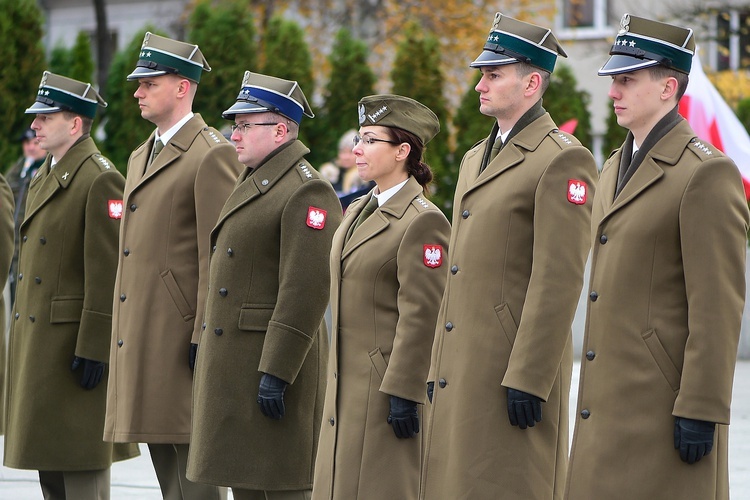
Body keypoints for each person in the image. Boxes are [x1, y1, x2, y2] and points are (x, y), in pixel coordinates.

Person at [565, 14, 749, 500]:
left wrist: (702, 407)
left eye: (627, 79)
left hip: (662, 403)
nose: (613, 92)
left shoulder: (705, 175)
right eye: (613, 80)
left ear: (669, 86)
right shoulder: (611, 168)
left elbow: (717, 306)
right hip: (607, 402)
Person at [420, 13, 598, 499]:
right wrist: (435, 363)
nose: (479, 84)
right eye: (483, 73)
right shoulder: (477, 156)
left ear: (533, 82)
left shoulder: (562, 158)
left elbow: (558, 278)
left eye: (493, 74)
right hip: (463, 362)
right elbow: (456, 273)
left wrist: (529, 376)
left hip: (510, 369)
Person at [186, 70, 342, 500]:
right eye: (234, 125)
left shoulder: (307, 189)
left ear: (280, 129)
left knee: (283, 487)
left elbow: (305, 292)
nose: (233, 135)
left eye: (243, 125)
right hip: (239, 367)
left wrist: (277, 371)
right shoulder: (256, 178)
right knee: (247, 485)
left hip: (271, 368)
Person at [103, 32, 243, 500]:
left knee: (193, 470)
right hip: (147, 329)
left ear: (183, 87)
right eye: (138, 84)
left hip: (181, 334)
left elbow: (218, 256)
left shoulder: (211, 153)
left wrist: (205, 334)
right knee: (165, 462)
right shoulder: (142, 153)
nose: (138, 92)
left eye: (150, 83)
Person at [3, 71, 138, 499]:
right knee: (51, 475)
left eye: (46, 117)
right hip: (41, 350)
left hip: (74, 352)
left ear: (75, 123)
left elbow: (107, 272)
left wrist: (96, 348)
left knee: (82, 476)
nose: (35, 125)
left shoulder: (99, 178)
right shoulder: (47, 173)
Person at [312, 95, 450, 500]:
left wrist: (405, 392)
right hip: (344, 383)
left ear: (402, 151)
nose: (357, 149)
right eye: (359, 138)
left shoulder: (422, 219)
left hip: (383, 389)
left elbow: (422, 315)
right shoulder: (358, 208)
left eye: (370, 140)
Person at [5, 127, 45, 305]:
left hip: (35, 247)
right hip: (12, 247)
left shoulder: (49, 170)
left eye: (35, 143)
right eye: (27, 143)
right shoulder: (17, 171)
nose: (30, 147)